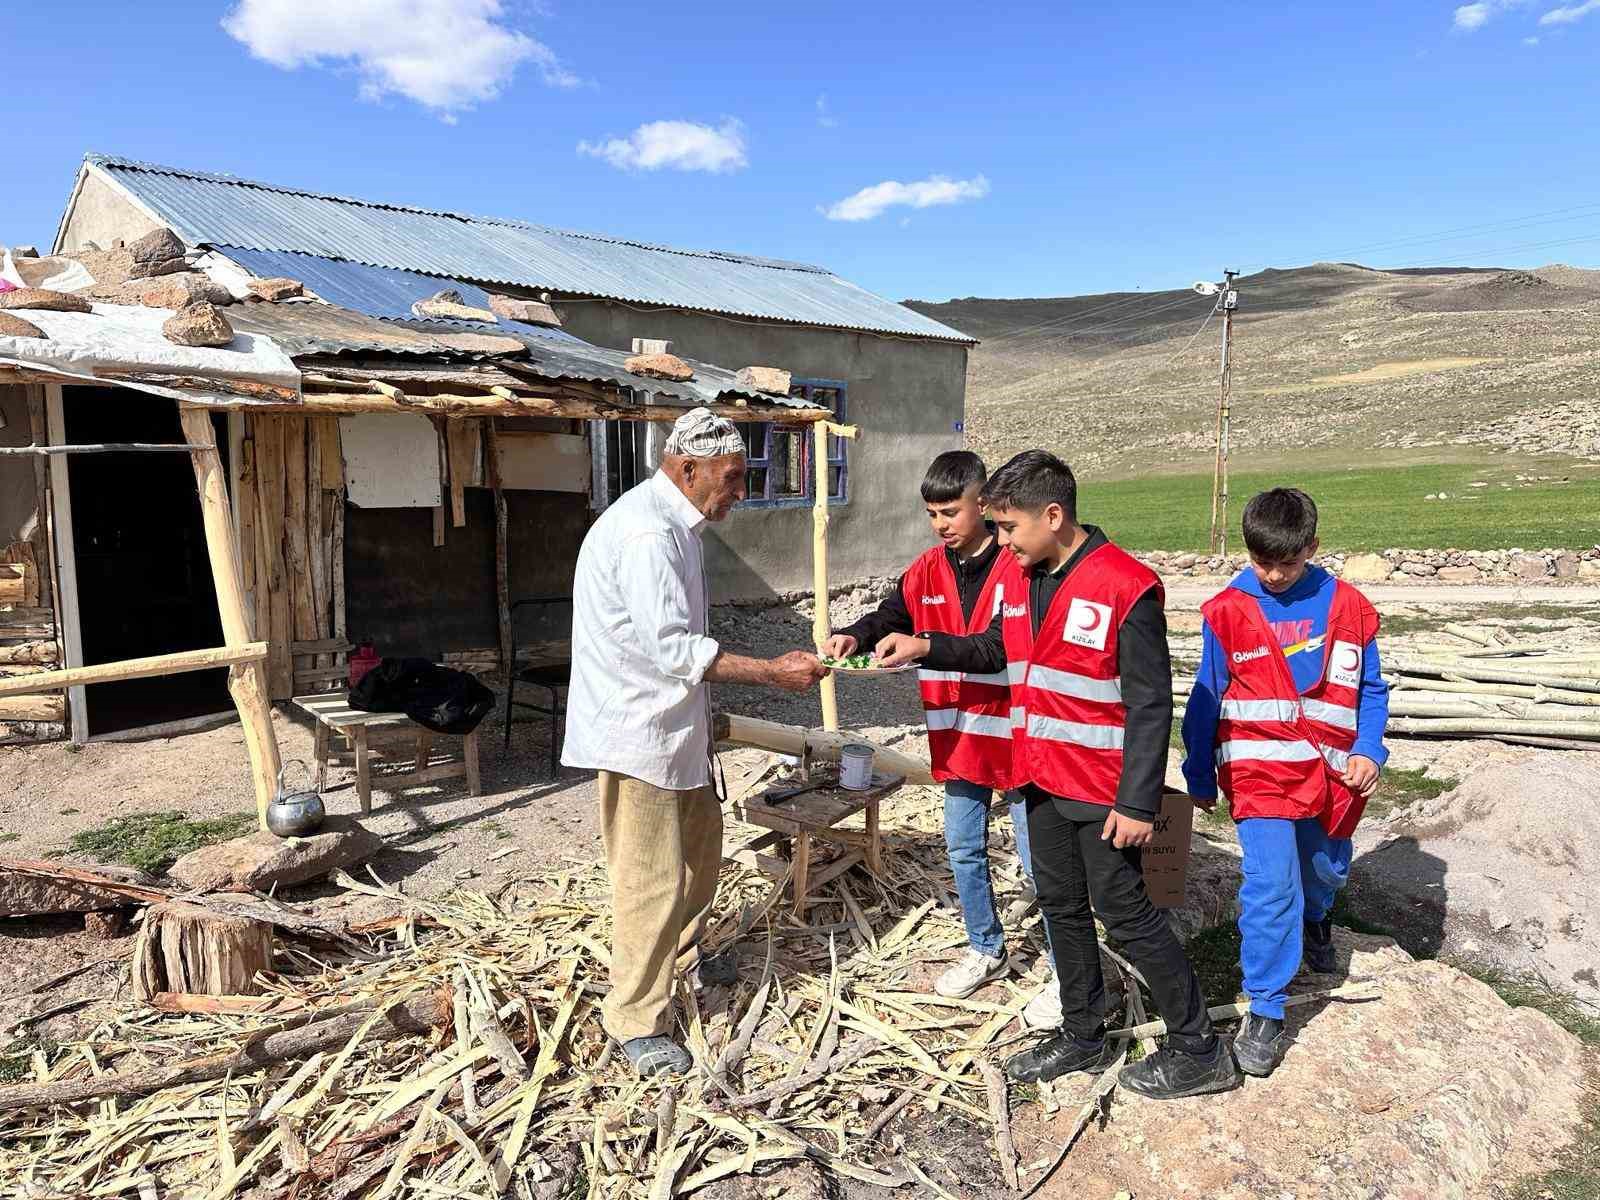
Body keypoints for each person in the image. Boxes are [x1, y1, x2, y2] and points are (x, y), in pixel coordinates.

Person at [876, 450, 1237, 1099]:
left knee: (1126, 917)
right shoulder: (1018, 579)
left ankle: (1198, 1047)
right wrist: (925, 644)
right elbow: (993, 649)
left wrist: (1137, 800)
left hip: (1103, 790)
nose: (1003, 542)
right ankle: (1081, 1034)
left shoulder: (1125, 585)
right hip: (1038, 778)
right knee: (1061, 907)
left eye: (1010, 529)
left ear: (1053, 514)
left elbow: (1152, 702)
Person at [562, 407, 829, 1077]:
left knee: (700, 858)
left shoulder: (678, 525)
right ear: (688, 469)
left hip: (673, 724)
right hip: (639, 732)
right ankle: (634, 1019)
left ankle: (683, 957)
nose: (740, 493)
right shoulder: (649, 535)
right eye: (734, 479)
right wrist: (771, 670)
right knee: (649, 878)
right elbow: (673, 648)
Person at [822, 451, 1058, 1023]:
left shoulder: (1019, 566)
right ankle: (986, 948)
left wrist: (924, 645)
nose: (941, 524)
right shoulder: (925, 569)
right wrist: (856, 634)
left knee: (1039, 858)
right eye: (932, 513)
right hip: (958, 738)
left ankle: (1060, 964)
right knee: (963, 849)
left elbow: (997, 647)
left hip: (1017, 737)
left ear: (983, 504)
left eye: (951, 511)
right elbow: (891, 613)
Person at [1181, 487, 1389, 1077]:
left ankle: (1319, 917)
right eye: (1260, 561)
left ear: (1313, 549)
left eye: (1287, 563)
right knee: (1272, 886)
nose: (1272, 575)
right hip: (1259, 777)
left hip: (1331, 778)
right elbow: (1205, 699)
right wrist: (1199, 771)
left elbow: (1371, 691)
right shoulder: (1226, 611)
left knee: (1322, 870)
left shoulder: (1348, 606)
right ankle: (1266, 1008)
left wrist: (1370, 749)